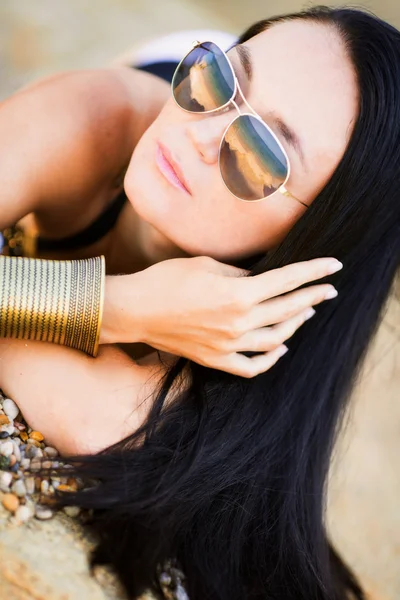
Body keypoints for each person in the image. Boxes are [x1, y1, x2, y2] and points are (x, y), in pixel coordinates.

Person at [0, 5, 398, 599]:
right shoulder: (99, 114)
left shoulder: (260, 350)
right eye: (221, 75)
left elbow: (98, 420)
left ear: (311, 241)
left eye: (261, 153)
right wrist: (121, 306)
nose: (204, 129)